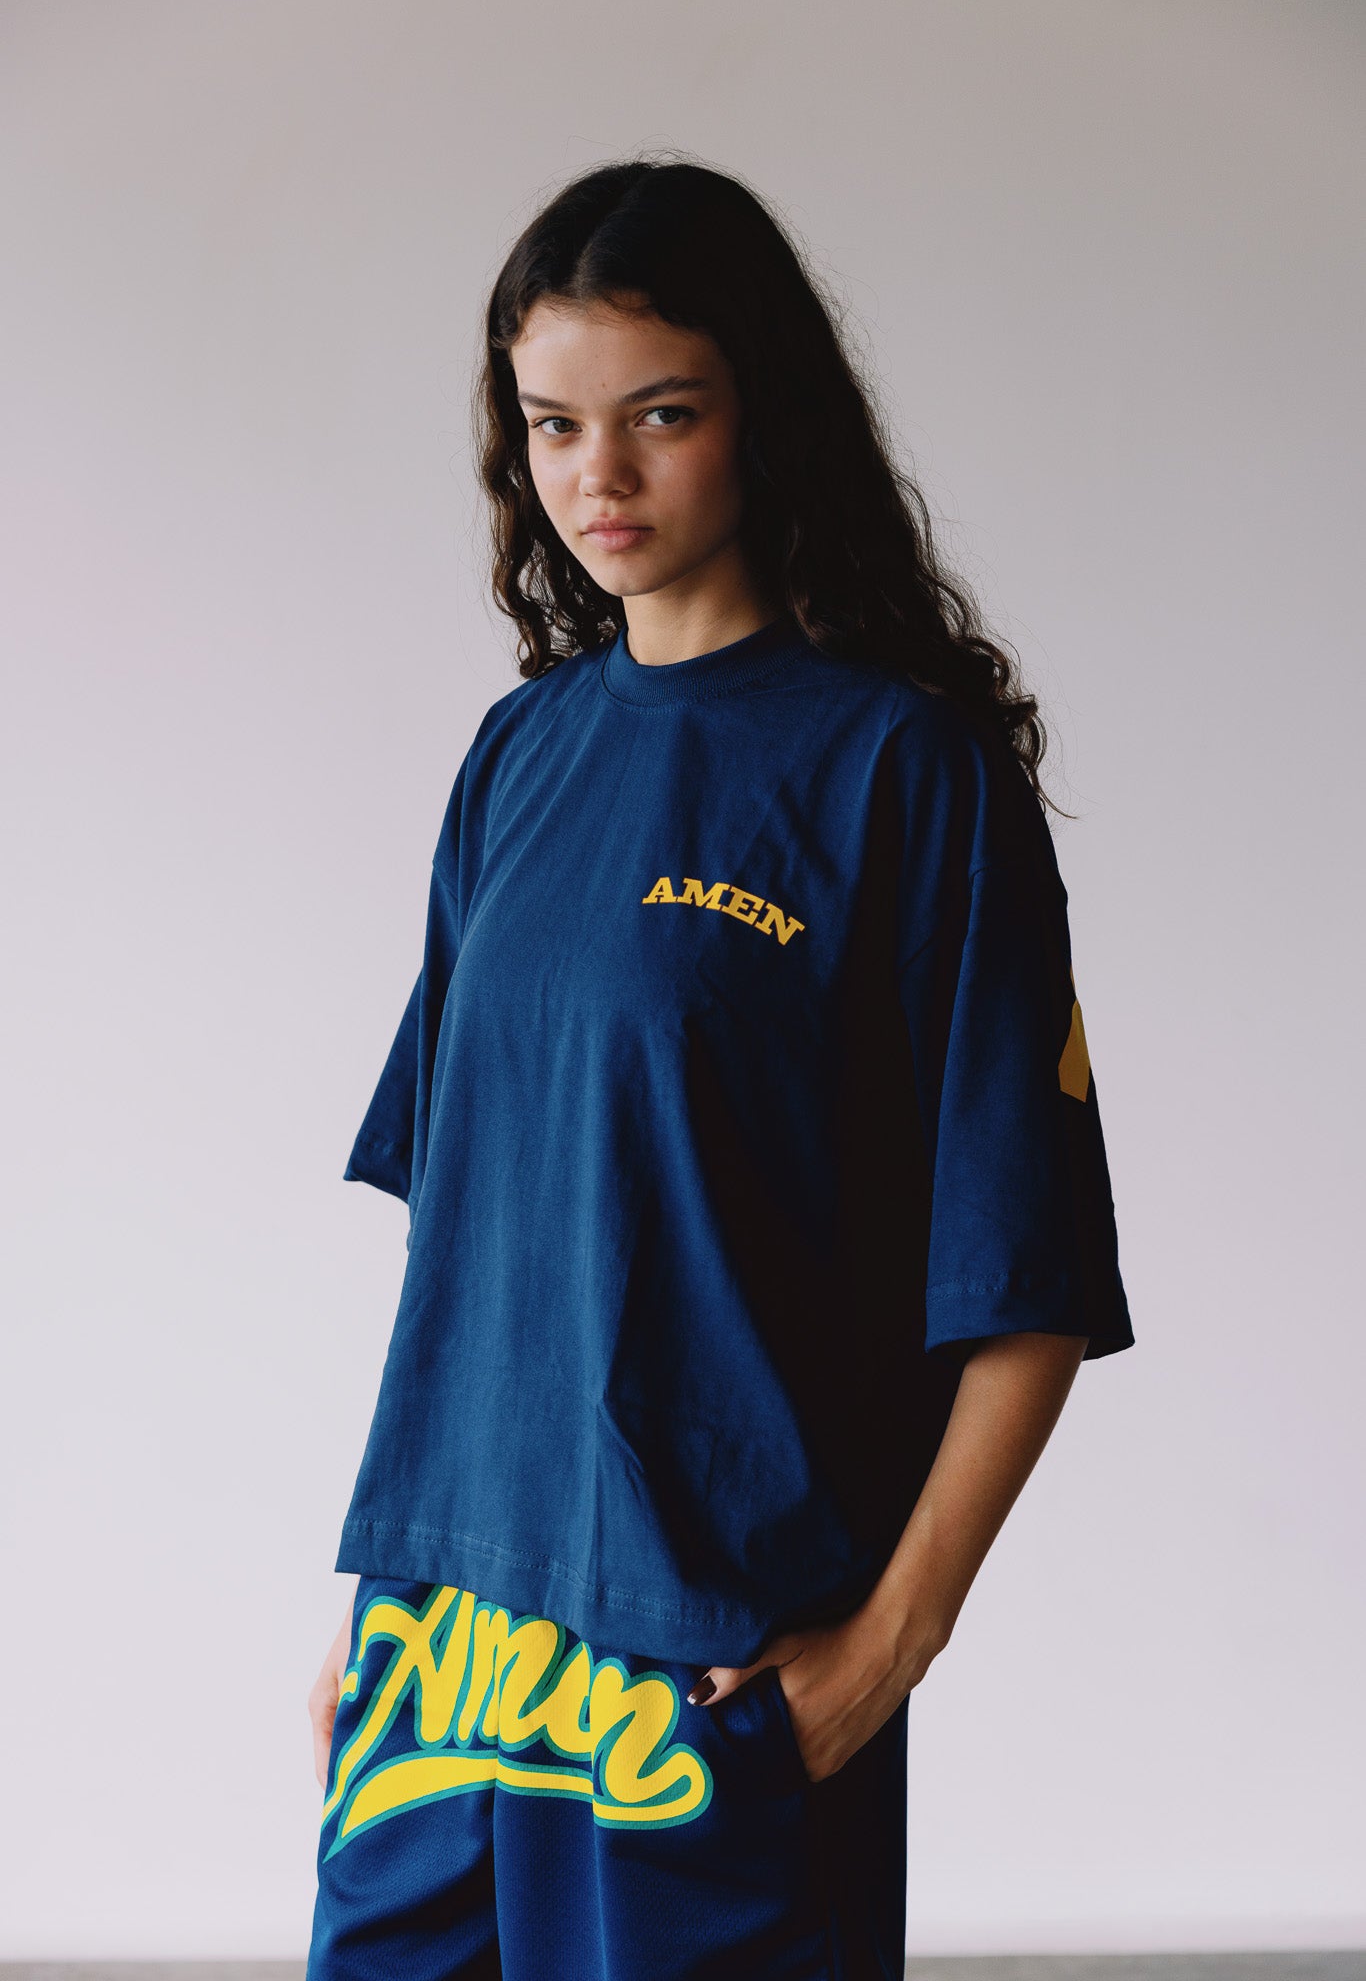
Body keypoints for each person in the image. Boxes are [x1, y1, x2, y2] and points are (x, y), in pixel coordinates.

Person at [304, 156, 1134, 1981]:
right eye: (553, 425)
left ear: (764, 414)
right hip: (440, 1656)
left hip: (700, 1661)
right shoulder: (516, 758)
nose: (597, 475)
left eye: (659, 415)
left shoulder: (901, 776)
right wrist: (380, 1617)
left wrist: (887, 1647)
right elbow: (474, 1238)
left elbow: (1030, 1287)